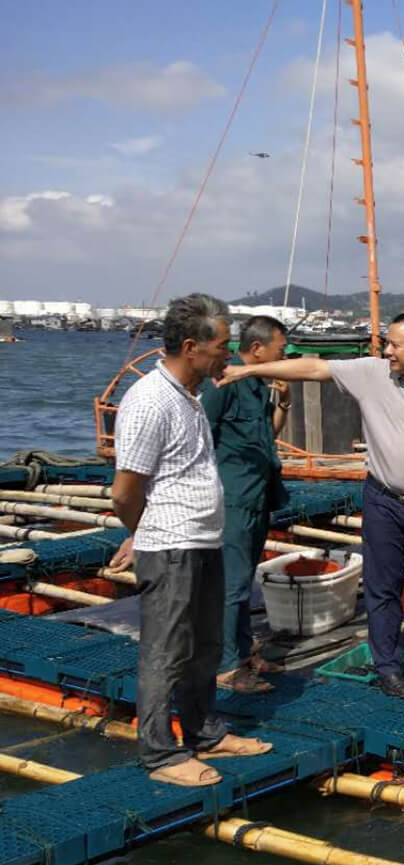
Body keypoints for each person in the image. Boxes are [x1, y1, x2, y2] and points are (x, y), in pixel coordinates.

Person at [220, 311, 404, 699]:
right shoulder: (372, 373)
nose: (387, 350)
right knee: (382, 588)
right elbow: (313, 368)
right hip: (383, 502)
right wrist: (247, 371)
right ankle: (388, 668)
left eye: (395, 344)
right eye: (387, 343)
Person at [110, 293, 272, 786]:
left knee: (205, 645)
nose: (228, 355)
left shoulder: (191, 396)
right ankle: (160, 753)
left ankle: (204, 732)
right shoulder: (150, 401)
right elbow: (124, 491)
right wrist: (144, 534)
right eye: (222, 346)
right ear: (190, 347)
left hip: (203, 540)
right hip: (171, 546)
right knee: (166, 651)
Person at [199, 315, 292, 694]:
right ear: (257, 349)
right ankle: (226, 667)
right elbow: (200, 439)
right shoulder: (223, 386)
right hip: (234, 499)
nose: (284, 357)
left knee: (243, 581)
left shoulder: (257, 386)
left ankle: (243, 652)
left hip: (258, 496)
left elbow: (266, 436)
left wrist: (284, 402)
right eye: (280, 350)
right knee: (232, 585)